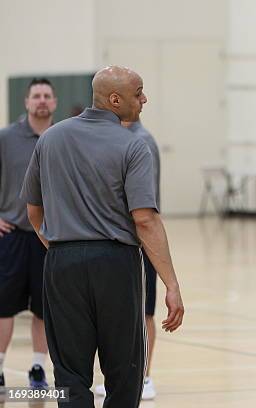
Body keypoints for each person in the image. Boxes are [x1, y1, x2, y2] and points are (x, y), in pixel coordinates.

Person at [20, 66, 184, 407]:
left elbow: (33, 210)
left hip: (61, 263)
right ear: (115, 99)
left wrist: (58, 246)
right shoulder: (134, 145)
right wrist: (171, 284)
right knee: (124, 371)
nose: (144, 99)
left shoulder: (50, 138)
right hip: (115, 264)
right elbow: (145, 220)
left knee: (69, 373)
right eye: (138, 92)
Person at [94, 119, 160, 400]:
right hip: (113, 242)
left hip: (137, 241)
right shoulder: (112, 138)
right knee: (114, 313)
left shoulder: (139, 141)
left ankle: (143, 377)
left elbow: (145, 205)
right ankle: (120, 377)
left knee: (143, 311)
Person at [0, 78, 57, 391]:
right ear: (26, 102)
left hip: (47, 237)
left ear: (55, 102)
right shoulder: (6, 137)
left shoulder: (62, 138)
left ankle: (38, 367)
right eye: (36, 95)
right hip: (12, 235)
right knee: (4, 306)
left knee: (43, 308)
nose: (42, 100)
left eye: (47, 95)